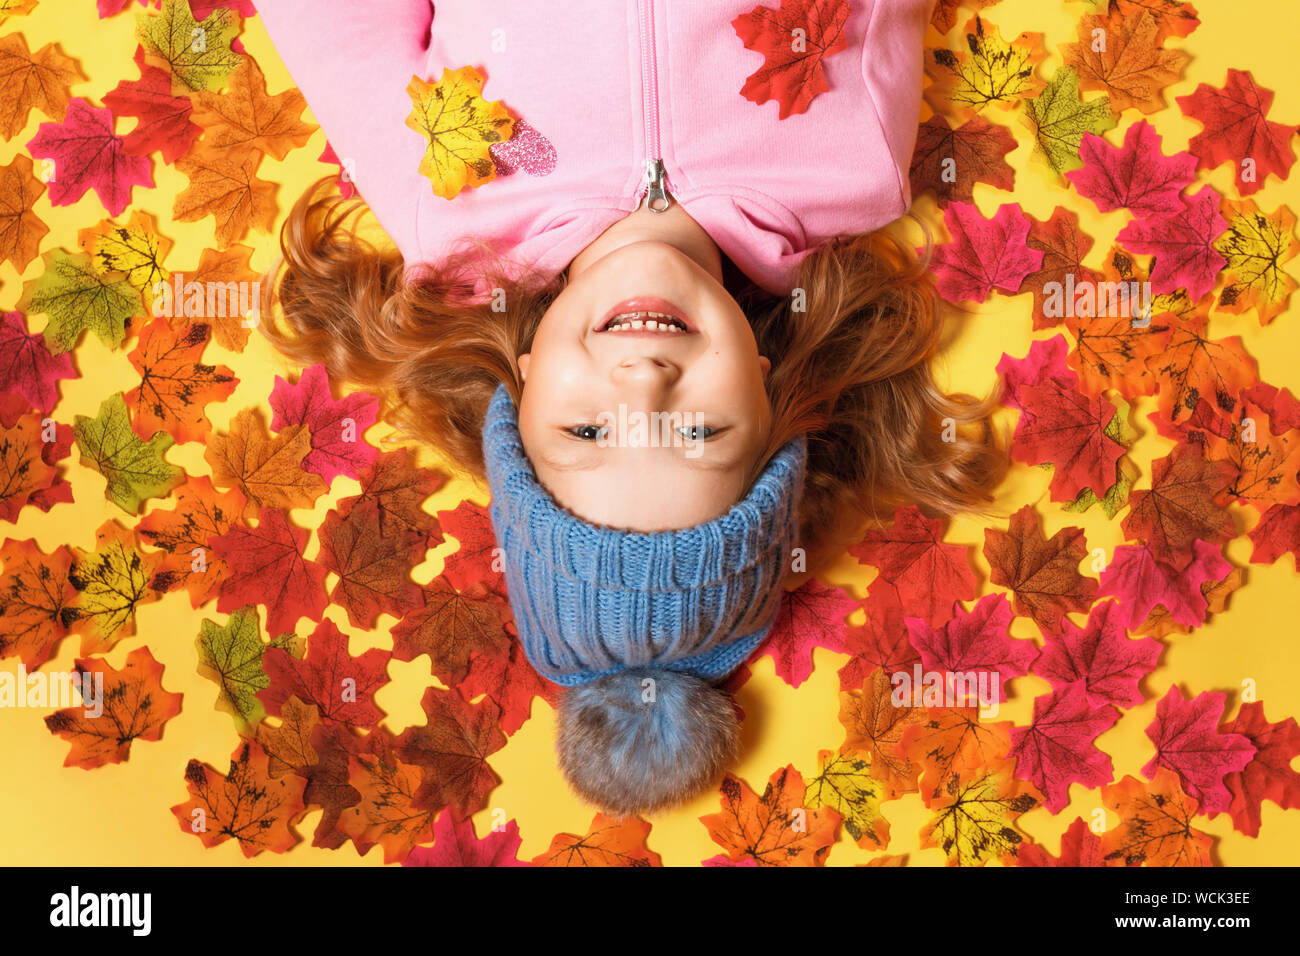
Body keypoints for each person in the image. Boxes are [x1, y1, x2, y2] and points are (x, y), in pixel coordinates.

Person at [257, 0, 1005, 816]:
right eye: (697, 431)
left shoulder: (439, 211)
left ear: (527, 378)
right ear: (764, 380)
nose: (643, 380)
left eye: (586, 431)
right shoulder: (853, 166)